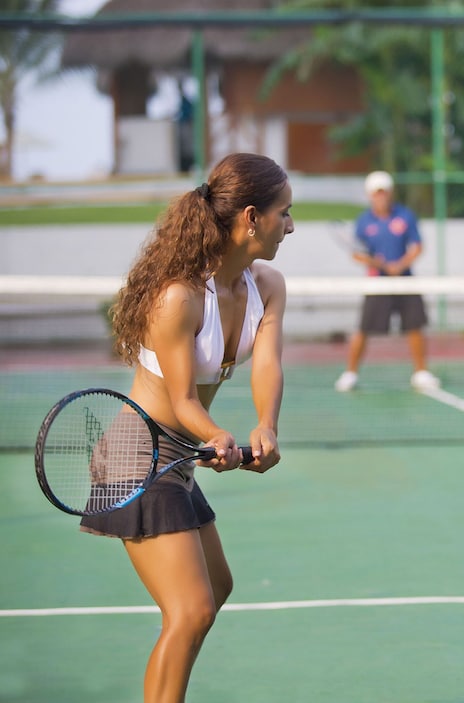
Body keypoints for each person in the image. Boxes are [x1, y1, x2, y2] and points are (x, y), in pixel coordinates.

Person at [80, 152, 293, 701]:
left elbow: (267, 364)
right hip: (138, 454)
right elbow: (179, 399)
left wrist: (265, 425)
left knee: (214, 591)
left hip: (179, 454)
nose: (290, 226)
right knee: (191, 608)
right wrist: (217, 434)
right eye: (284, 213)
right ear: (251, 217)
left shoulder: (266, 284)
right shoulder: (178, 296)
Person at [335, 170, 440, 392]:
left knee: (415, 326)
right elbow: (357, 253)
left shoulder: (405, 215)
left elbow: (417, 246)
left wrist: (400, 265)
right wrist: (376, 263)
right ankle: (350, 374)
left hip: (405, 282)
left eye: (384, 192)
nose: (380, 197)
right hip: (376, 283)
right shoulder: (364, 221)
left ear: (390, 193)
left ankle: (421, 373)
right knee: (363, 329)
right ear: (370, 195)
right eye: (376, 193)